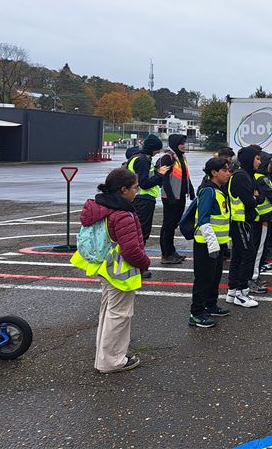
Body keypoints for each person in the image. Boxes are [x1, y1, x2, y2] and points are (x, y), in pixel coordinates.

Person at [72, 167, 150, 373]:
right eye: (135, 187)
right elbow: (131, 250)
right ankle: (112, 361)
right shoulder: (122, 214)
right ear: (123, 190)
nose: (137, 191)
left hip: (103, 265)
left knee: (108, 312)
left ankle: (104, 357)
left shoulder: (99, 206)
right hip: (119, 270)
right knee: (119, 315)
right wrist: (145, 263)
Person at [189, 158, 233, 328]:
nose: (228, 173)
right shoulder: (208, 191)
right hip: (206, 243)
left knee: (214, 277)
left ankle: (211, 304)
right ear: (214, 172)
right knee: (203, 278)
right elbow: (203, 219)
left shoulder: (219, 190)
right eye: (225, 170)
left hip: (218, 243)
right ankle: (197, 313)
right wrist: (212, 242)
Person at [225, 146, 261, 308]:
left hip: (243, 221)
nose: (259, 162)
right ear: (249, 159)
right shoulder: (241, 176)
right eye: (257, 158)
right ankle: (241, 292)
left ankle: (232, 291)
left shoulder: (246, 175)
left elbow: (254, 198)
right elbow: (251, 201)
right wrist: (255, 198)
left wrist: (254, 198)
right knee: (248, 254)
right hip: (240, 221)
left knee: (239, 255)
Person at [126, 133, 170, 244]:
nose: (158, 152)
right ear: (152, 148)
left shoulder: (137, 158)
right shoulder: (143, 161)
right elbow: (144, 183)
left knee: (136, 231)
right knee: (141, 232)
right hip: (143, 200)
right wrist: (160, 174)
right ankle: (138, 257)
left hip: (138, 198)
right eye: (157, 149)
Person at [158, 134, 195, 264]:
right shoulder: (167, 157)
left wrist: (191, 190)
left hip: (180, 196)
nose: (184, 145)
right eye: (181, 143)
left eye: (184, 143)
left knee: (173, 225)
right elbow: (165, 179)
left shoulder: (181, 157)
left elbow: (185, 176)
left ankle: (171, 251)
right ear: (175, 143)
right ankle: (166, 254)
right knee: (168, 225)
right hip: (171, 198)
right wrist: (171, 196)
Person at [252, 151, 272, 289]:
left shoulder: (254, 176)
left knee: (257, 250)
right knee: (258, 250)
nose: (271, 166)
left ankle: (254, 275)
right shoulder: (262, 178)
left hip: (258, 217)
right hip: (261, 218)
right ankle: (254, 277)